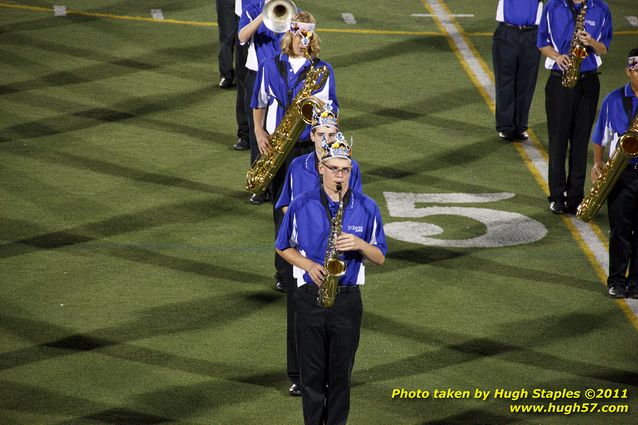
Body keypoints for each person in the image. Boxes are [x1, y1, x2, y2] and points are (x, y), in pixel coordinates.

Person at [275, 137, 387, 425]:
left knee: (340, 377)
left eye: (345, 170)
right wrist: (309, 265)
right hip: (310, 297)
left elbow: (379, 257)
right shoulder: (301, 204)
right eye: (334, 169)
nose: (340, 175)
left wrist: (360, 244)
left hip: (347, 300)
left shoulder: (367, 207)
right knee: (311, 377)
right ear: (321, 169)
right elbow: (282, 246)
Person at [274, 103, 362, 399]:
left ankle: (336, 375)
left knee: (338, 317)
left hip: (337, 250)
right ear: (311, 136)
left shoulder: (350, 166)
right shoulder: (298, 166)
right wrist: (304, 225)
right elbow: (284, 204)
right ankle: (299, 375)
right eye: (321, 133)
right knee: (298, 315)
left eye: (332, 132)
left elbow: (358, 205)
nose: (326, 138)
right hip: (304, 252)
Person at [251, 12, 338, 293]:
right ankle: (283, 272)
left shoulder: (322, 70)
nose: (303, 41)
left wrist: (320, 114)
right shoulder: (269, 66)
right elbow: (258, 102)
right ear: (290, 34)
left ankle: (312, 266)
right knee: (281, 210)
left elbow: (332, 110)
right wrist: (259, 131)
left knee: (312, 208)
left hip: (309, 148)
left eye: (308, 37)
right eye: (299, 36)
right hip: (279, 147)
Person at [537, 0, 612, 214]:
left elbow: (604, 48)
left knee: (580, 142)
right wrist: (557, 56)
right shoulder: (553, 6)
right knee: (558, 140)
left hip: (588, 82)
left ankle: (576, 196)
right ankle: (557, 196)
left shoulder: (601, 8)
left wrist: (592, 42)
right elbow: (541, 41)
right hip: (560, 80)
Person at [589, 49, 638, 299]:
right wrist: (597, 164)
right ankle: (617, 280)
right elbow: (600, 137)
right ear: (628, 71)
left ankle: (636, 282)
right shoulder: (614, 99)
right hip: (621, 173)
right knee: (620, 229)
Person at [238, 0, 284, 202]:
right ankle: (260, 184)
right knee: (258, 129)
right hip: (256, 74)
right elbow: (242, 37)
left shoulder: (290, 8)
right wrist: (263, 15)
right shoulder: (252, 8)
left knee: (279, 128)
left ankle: (278, 186)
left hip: (282, 75)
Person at [492, 0, 543, 142]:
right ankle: (506, 126)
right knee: (505, 81)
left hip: (532, 33)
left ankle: (520, 126)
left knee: (526, 83)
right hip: (507, 32)